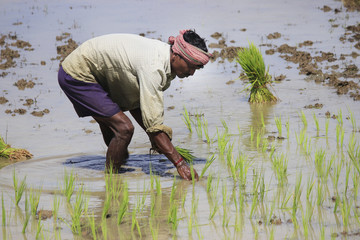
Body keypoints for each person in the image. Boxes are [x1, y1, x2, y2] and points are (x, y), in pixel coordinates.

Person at [58, 29, 211, 180]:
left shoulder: (164, 58)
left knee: (119, 142)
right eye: (191, 66)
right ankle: (112, 182)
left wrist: (154, 134)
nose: (192, 73)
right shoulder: (154, 67)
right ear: (176, 56)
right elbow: (153, 124)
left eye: (196, 68)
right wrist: (180, 163)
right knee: (124, 129)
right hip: (77, 74)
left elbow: (138, 104)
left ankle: (112, 181)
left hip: (100, 74)